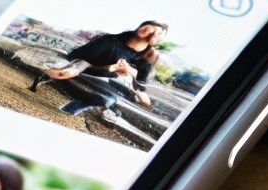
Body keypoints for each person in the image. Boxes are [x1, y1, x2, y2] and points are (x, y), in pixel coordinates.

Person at [27, 21, 168, 124]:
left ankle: (69, 109)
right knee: (107, 98)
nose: (150, 31)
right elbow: (80, 58)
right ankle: (46, 76)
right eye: (149, 27)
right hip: (85, 71)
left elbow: (141, 87)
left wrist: (130, 72)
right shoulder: (111, 41)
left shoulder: (145, 61)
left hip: (105, 81)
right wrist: (109, 68)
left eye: (157, 32)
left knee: (110, 98)